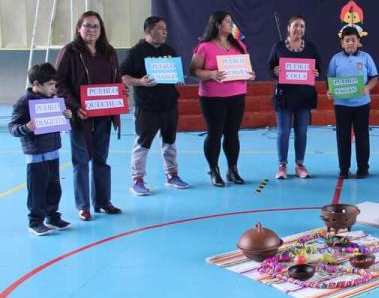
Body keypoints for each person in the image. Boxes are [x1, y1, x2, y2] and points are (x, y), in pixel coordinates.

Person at [56, 11, 124, 221]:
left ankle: (103, 202)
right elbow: (59, 83)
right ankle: (83, 206)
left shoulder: (109, 52)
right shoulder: (69, 51)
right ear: (79, 28)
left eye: (96, 26)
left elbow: (117, 79)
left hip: (104, 116)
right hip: (80, 117)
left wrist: (121, 92)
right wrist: (75, 106)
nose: (92, 30)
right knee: (81, 162)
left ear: (101, 29)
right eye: (87, 26)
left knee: (101, 160)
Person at [120, 16, 189, 196]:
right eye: (160, 28)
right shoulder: (137, 51)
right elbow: (124, 77)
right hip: (147, 107)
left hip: (169, 105)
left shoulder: (169, 50)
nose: (165, 32)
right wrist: (140, 81)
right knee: (143, 143)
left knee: (170, 141)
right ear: (148, 31)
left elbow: (175, 73)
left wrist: (178, 79)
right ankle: (138, 179)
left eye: (165, 29)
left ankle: (172, 175)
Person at [190, 11, 255, 187]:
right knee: (215, 134)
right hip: (213, 98)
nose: (231, 25)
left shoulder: (239, 45)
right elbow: (193, 71)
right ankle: (214, 169)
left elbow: (245, 67)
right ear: (218, 25)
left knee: (233, 134)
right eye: (228, 22)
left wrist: (249, 74)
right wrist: (211, 73)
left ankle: (232, 169)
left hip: (237, 95)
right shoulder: (204, 47)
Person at [9, 63, 73, 235]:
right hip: (36, 154)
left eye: (55, 85)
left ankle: (52, 216)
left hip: (53, 150)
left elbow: (61, 122)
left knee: (54, 186)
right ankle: (35, 221)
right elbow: (12, 127)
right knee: (37, 188)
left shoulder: (53, 100)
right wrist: (26, 128)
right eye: (50, 85)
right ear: (36, 84)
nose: (54, 88)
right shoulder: (24, 103)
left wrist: (67, 115)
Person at [268, 15, 322, 179]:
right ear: (288, 27)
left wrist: (316, 72)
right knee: (283, 132)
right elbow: (270, 67)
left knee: (302, 132)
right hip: (284, 96)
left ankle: (300, 165)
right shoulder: (278, 46)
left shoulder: (311, 47)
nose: (299, 29)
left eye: (302, 27)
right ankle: (282, 166)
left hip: (304, 96)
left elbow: (318, 68)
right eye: (296, 26)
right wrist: (274, 71)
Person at [326, 26, 378, 178]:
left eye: (353, 40)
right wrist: (330, 90)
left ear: (359, 42)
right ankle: (344, 169)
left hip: (362, 104)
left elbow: (374, 77)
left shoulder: (366, 57)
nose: (350, 43)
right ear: (342, 43)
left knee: (362, 137)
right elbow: (330, 79)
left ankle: (363, 168)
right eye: (347, 40)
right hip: (341, 105)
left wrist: (368, 87)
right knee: (343, 138)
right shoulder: (335, 59)